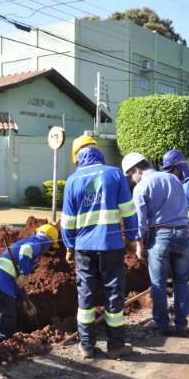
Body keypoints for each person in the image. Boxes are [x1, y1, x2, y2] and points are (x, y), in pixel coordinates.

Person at [62, 145, 139, 360]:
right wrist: (133, 238)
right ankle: (115, 346)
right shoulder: (114, 174)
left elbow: (67, 221)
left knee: (85, 294)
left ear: (80, 162)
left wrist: (69, 246)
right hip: (111, 245)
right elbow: (129, 211)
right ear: (101, 159)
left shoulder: (72, 180)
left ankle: (86, 346)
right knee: (113, 293)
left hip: (83, 248)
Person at [122, 152, 189, 336]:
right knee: (181, 281)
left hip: (161, 236)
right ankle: (181, 324)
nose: (132, 179)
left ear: (136, 169)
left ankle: (161, 324)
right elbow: (185, 204)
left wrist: (140, 245)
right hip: (183, 233)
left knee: (158, 282)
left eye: (130, 175)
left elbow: (141, 222)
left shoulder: (141, 187)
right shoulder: (173, 178)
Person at [0, 224, 60, 341]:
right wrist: (25, 274)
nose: (48, 251)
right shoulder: (40, 241)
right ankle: (3, 349)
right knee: (5, 322)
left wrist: (25, 302)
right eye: (50, 247)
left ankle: (6, 346)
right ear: (49, 241)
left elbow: (17, 282)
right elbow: (27, 250)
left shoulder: (29, 241)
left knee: (5, 318)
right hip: (2, 286)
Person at [162, 150, 189, 307]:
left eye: (171, 170)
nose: (170, 173)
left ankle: (187, 299)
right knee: (170, 267)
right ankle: (172, 299)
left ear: (179, 167)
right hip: (172, 230)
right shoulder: (172, 183)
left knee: (186, 267)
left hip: (187, 230)